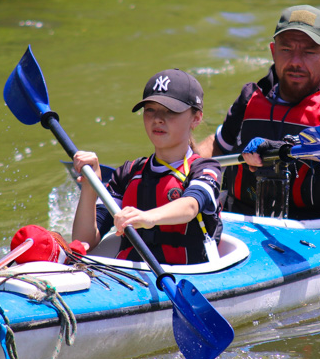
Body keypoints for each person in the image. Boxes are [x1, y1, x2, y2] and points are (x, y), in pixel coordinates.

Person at [197, 4, 320, 219]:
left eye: (309, 52)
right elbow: (217, 146)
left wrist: (284, 148)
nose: (295, 62)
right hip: (241, 219)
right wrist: (177, 168)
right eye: (286, 50)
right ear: (273, 52)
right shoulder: (252, 98)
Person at [71, 69, 222, 265]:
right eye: (150, 109)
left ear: (196, 118)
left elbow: (191, 206)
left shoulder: (205, 168)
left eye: (170, 111)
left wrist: (147, 217)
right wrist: (91, 187)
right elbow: (85, 242)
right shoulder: (128, 173)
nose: (157, 118)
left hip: (186, 280)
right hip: (129, 280)